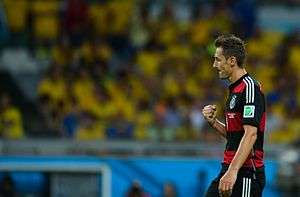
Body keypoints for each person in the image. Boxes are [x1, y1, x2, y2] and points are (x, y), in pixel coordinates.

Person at [202, 35, 266, 197]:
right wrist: (214, 123)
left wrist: (232, 171)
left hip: (246, 172)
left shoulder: (250, 88)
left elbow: (251, 134)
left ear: (231, 60)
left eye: (218, 59)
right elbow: (235, 136)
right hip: (230, 168)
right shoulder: (234, 90)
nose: (214, 65)